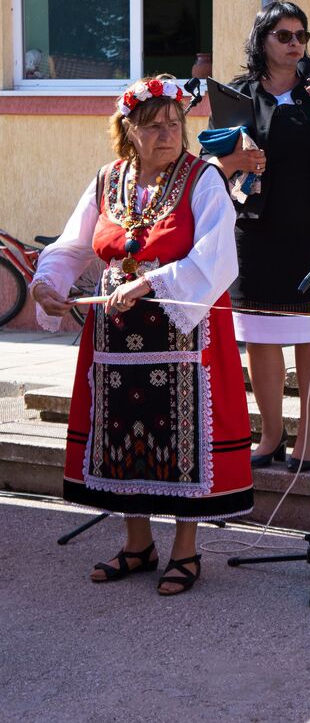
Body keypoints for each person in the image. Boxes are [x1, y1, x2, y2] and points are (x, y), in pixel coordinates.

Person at [31, 76, 254, 595]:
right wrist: (48, 284)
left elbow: (218, 254)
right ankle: (137, 546)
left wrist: (150, 282)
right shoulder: (108, 179)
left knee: (183, 434)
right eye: (153, 125)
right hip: (115, 335)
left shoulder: (203, 179)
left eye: (175, 124)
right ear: (128, 129)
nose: (167, 134)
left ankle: (185, 551)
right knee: (124, 431)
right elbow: (73, 244)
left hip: (184, 330)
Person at [208, 0, 310, 472]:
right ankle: (271, 436)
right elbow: (215, 165)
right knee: (262, 336)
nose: (295, 44)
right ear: (263, 41)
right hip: (257, 232)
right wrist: (240, 162)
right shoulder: (238, 95)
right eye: (285, 36)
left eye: (302, 36)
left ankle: (309, 442)